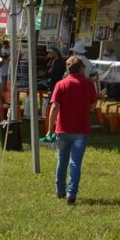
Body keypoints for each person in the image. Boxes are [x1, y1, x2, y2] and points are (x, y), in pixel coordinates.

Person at [46, 55, 98, 205]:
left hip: (63, 128)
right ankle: (71, 193)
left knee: (62, 160)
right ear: (81, 68)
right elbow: (92, 106)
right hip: (81, 129)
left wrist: (50, 128)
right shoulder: (88, 84)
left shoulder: (60, 84)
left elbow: (54, 107)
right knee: (75, 162)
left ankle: (59, 190)